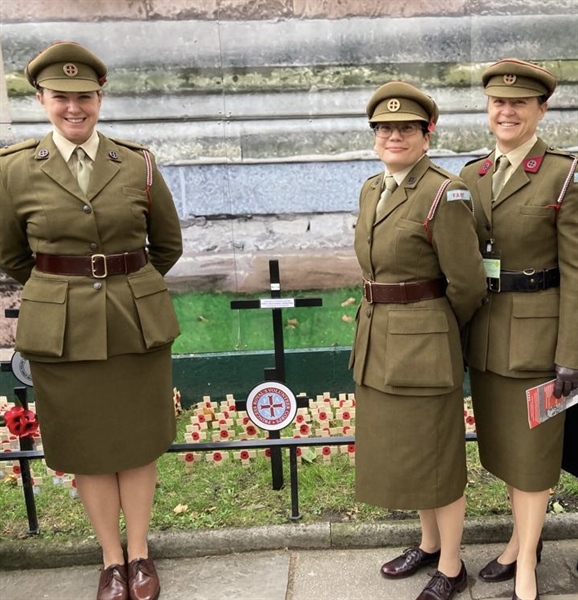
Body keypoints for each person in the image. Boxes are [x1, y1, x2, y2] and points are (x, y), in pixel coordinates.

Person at [0, 41, 183, 600]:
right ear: (42, 99)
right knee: (86, 444)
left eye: (84, 96)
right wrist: (65, 293)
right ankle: (110, 559)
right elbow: (12, 255)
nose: (73, 107)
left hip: (134, 324)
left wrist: (126, 289)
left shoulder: (136, 162)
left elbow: (167, 245)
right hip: (62, 331)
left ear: (100, 97)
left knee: (137, 440)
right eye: (61, 97)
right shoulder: (12, 170)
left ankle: (141, 553)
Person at [350, 81, 487, 600]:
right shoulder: (372, 187)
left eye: (406, 128)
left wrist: (434, 327)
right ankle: (428, 544)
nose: (394, 136)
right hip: (379, 336)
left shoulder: (444, 191)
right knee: (411, 452)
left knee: (437, 456)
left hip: (425, 339)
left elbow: (468, 284)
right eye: (385, 128)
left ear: (427, 134)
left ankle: (452, 567)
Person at [460, 58, 578, 600]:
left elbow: (576, 273)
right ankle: (515, 542)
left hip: (539, 339)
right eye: (498, 103)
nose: (506, 112)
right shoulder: (472, 176)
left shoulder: (563, 174)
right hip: (487, 336)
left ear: (540, 109)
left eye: (519, 104)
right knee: (506, 450)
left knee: (533, 455)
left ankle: (528, 562)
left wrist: (571, 352)